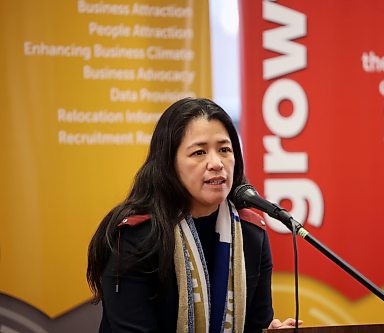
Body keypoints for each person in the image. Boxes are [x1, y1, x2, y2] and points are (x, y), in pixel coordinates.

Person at [87, 97, 301, 332]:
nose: (216, 163)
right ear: (169, 164)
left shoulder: (251, 233)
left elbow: (255, 324)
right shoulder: (136, 236)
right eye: (199, 152)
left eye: (224, 150)